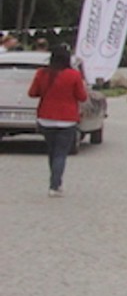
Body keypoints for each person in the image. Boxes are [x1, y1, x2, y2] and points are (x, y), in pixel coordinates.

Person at [28, 42, 90, 197]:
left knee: (52, 151)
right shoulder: (73, 75)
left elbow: (32, 93)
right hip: (67, 119)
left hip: (45, 118)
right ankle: (55, 185)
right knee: (61, 153)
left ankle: (54, 181)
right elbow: (82, 97)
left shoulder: (42, 73)